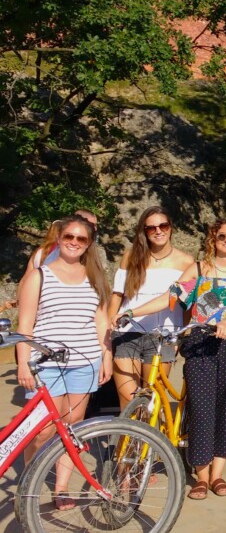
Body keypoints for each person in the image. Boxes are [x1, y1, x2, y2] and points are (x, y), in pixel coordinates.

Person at [122, 219, 226, 500]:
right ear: (213, 239)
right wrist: (132, 313)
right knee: (201, 408)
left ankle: (217, 474)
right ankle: (202, 475)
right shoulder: (198, 269)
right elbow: (170, 297)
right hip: (199, 342)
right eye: (223, 236)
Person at [16, 215, 112, 510]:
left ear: (88, 244)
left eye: (81, 239)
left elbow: (101, 319)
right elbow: (26, 323)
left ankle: (61, 488)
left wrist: (105, 354)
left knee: (72, 427)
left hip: (84, 362)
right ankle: (29, 481)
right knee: (43, 429)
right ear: (59, 239)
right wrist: (23, 363)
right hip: (46, 363)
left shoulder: (94, 276)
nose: (74, 242)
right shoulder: (39, 275)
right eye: (68, 237)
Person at [108, 207, 194, 410]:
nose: (158, 231)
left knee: (151, 401)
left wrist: (182, 337)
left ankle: (147, 442)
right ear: (144, 231)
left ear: (171, 228)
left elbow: (187, 307)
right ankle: (125, 441)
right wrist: (107, 330)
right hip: (127, 333)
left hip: (162, 336)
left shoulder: (186, 262)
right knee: (128, 400)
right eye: (151, 228)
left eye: (163, 225)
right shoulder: (131, 256)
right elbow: (117, 297)